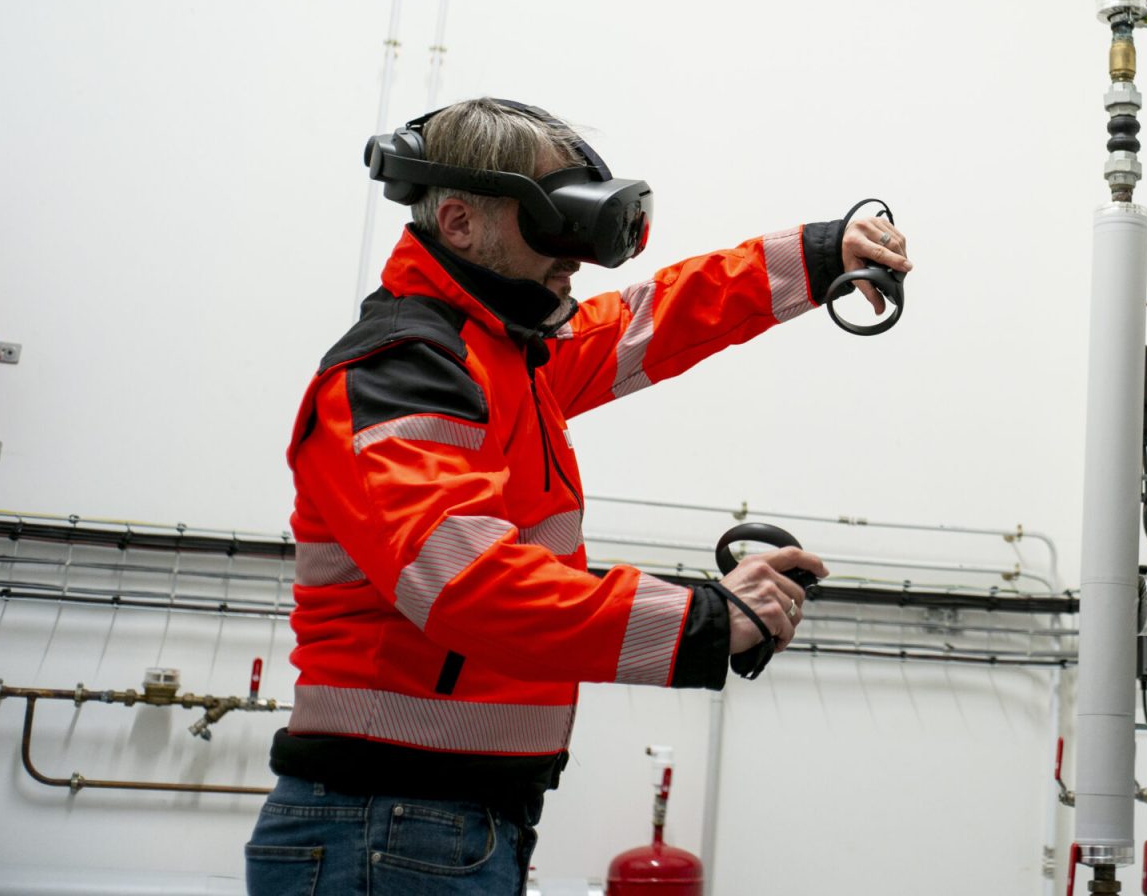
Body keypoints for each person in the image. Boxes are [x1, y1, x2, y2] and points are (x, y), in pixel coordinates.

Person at [244, 97, 912, 894]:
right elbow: (469, 587)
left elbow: (648, 323)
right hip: (387, 820)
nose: (577, 257)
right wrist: (706, 620)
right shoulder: (403, 373)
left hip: (435, 823)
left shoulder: (501, 357)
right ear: (458, 222)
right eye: (552, 224)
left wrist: (816, 257)